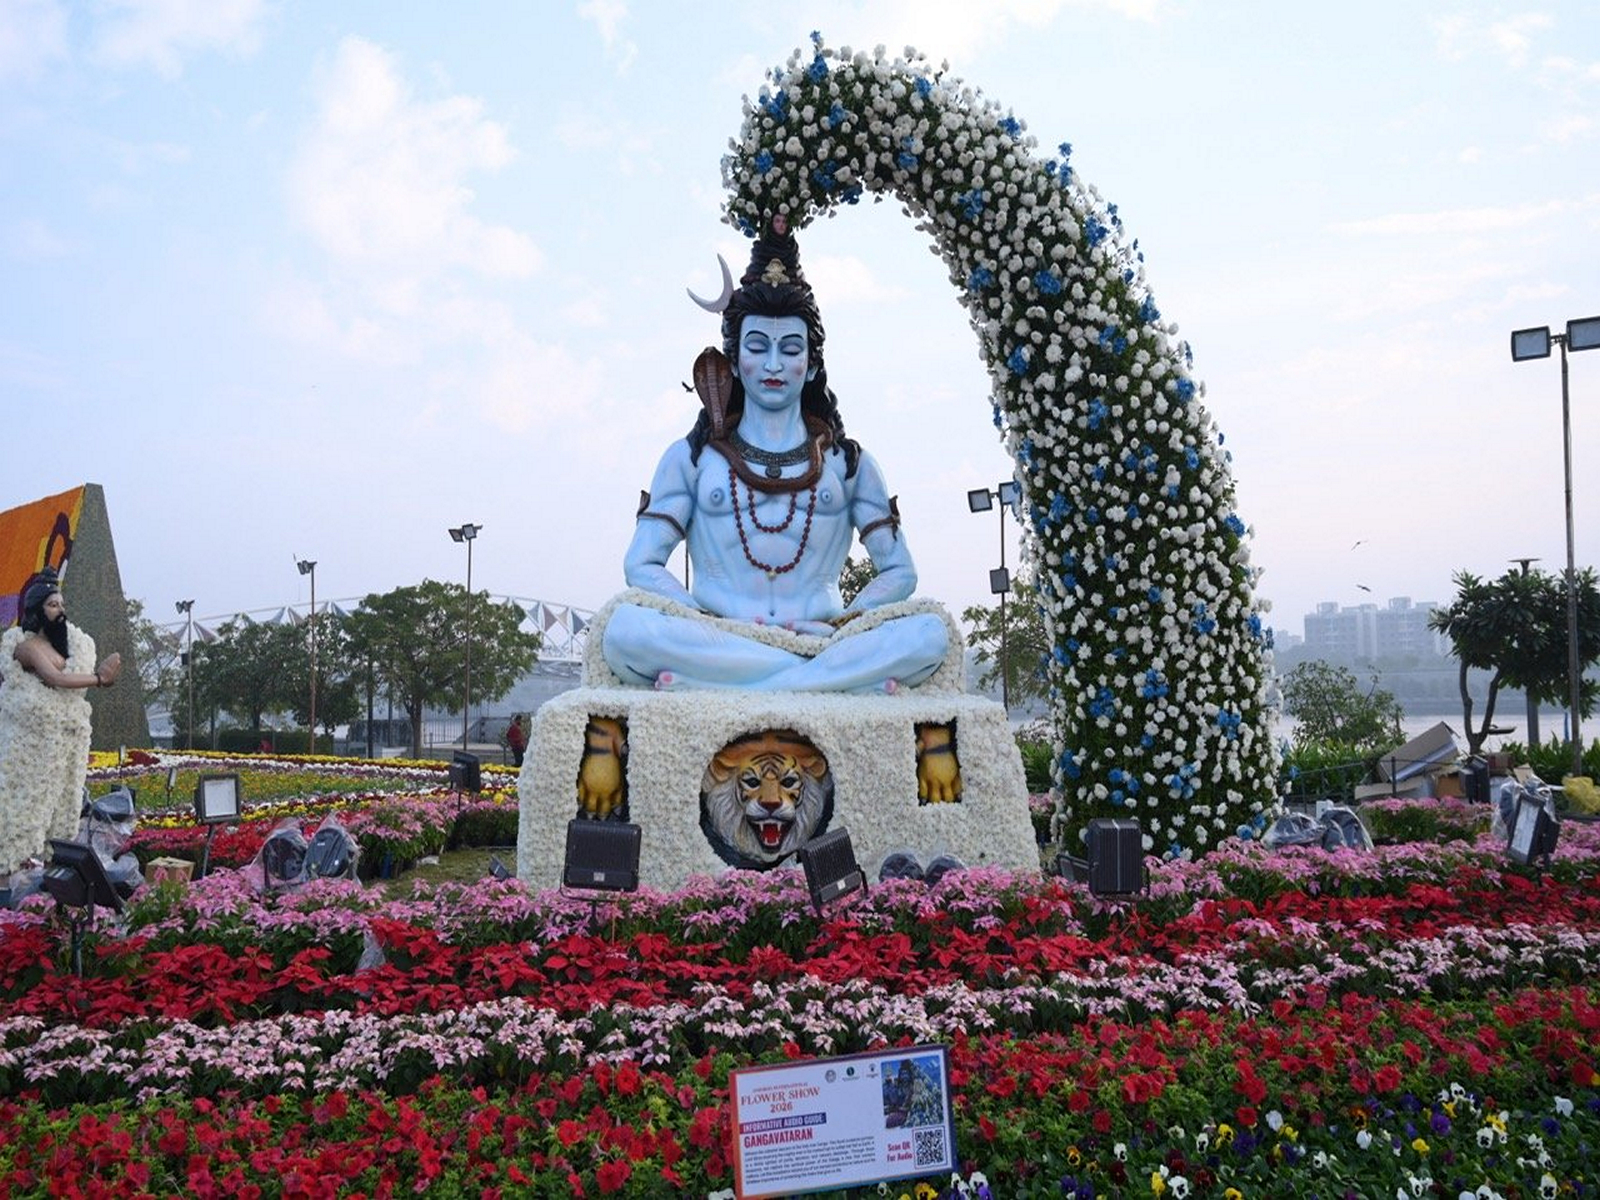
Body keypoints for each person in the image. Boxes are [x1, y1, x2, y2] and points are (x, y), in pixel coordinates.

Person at [600, 216, 948, 693]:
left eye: (789, 350)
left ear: (811, 367)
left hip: (819, 639)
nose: (772, 366)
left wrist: (848, 622)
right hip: (720, 635)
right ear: (732, 362)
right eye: (758, 347)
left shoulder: (848, 465)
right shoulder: (693, 458)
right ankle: (818, 686)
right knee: (625, 630)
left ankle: (740, 683)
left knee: (929, 633)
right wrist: (701, 619)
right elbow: (641, 564)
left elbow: (900, 571)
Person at [0, 569, 122, 884]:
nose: (61, 611)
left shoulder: (65, 648)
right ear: (38, 608)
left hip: (59, 747)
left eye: (62, 605)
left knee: (54, 813)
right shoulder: (26, 646)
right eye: (53, 605)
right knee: (19, 814)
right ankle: (6, 878)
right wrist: (100, 679)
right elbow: (55, 680)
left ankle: (34, 875)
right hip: (29, 747)